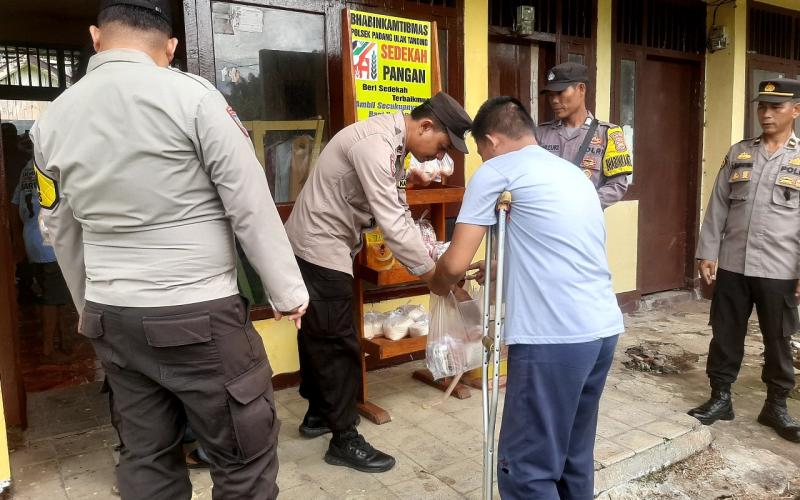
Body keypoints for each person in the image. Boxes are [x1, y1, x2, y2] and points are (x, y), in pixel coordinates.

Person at [31, 1, 308, 499]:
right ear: (172, 47)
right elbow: (249, 202)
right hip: (198, 315)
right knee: (242, 459)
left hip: (112, 315)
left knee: (147, 458)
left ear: (97, 38)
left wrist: (87, 307)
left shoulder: (52, 120)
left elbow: (60, 228)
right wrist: (288, 293)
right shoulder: (194, 98)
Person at [429, 96, 624, 499]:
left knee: (526, 469)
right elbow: (564, 249)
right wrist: (500, 269)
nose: (482, 159)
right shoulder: (571, 175)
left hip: (552, 339)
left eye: (481, 151)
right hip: (601, 331)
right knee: (572, 456)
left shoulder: (498, 170)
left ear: (492, 141)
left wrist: (438, 284)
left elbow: (453, 264)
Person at [284, 92, 472, 472]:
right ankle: (344, 438)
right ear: (425, 126)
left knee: (318, 335)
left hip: (320, 244)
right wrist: (436, 278)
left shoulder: (390, 142)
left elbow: (399, 211)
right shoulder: (375, 145)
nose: (439, 157)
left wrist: (434, 260)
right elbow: (395, 224)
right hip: (319, 247)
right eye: (441, 147)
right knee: (339, 343)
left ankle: (319, 414)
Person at [688, 78, 800, 443]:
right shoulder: (739, 153)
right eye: (762, 107)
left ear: (795, 110)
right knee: (725, 333)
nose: (766, 114)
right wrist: (708, 250)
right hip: (734, 264)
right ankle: (721, 398)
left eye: (776, 107)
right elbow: (718, 204)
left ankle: (776, 406)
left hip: (780, 268)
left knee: (779, 339)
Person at [535, 62, 632, 209]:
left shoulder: (608, 134)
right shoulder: (540, 134)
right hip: (546, 223)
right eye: (550, 95)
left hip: (585, 225)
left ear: (581, 89)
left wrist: (582, 204)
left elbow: (617, 185)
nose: (554, 100)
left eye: (560, 92)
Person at [11, 160, 71, 357]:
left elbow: (14, 206)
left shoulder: (27, 169)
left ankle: (63, 340)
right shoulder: (52, 166)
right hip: (50, 243)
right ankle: (49, 350)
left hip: (33, 240)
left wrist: (19, 241)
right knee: (52, 299)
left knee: (53, 295)